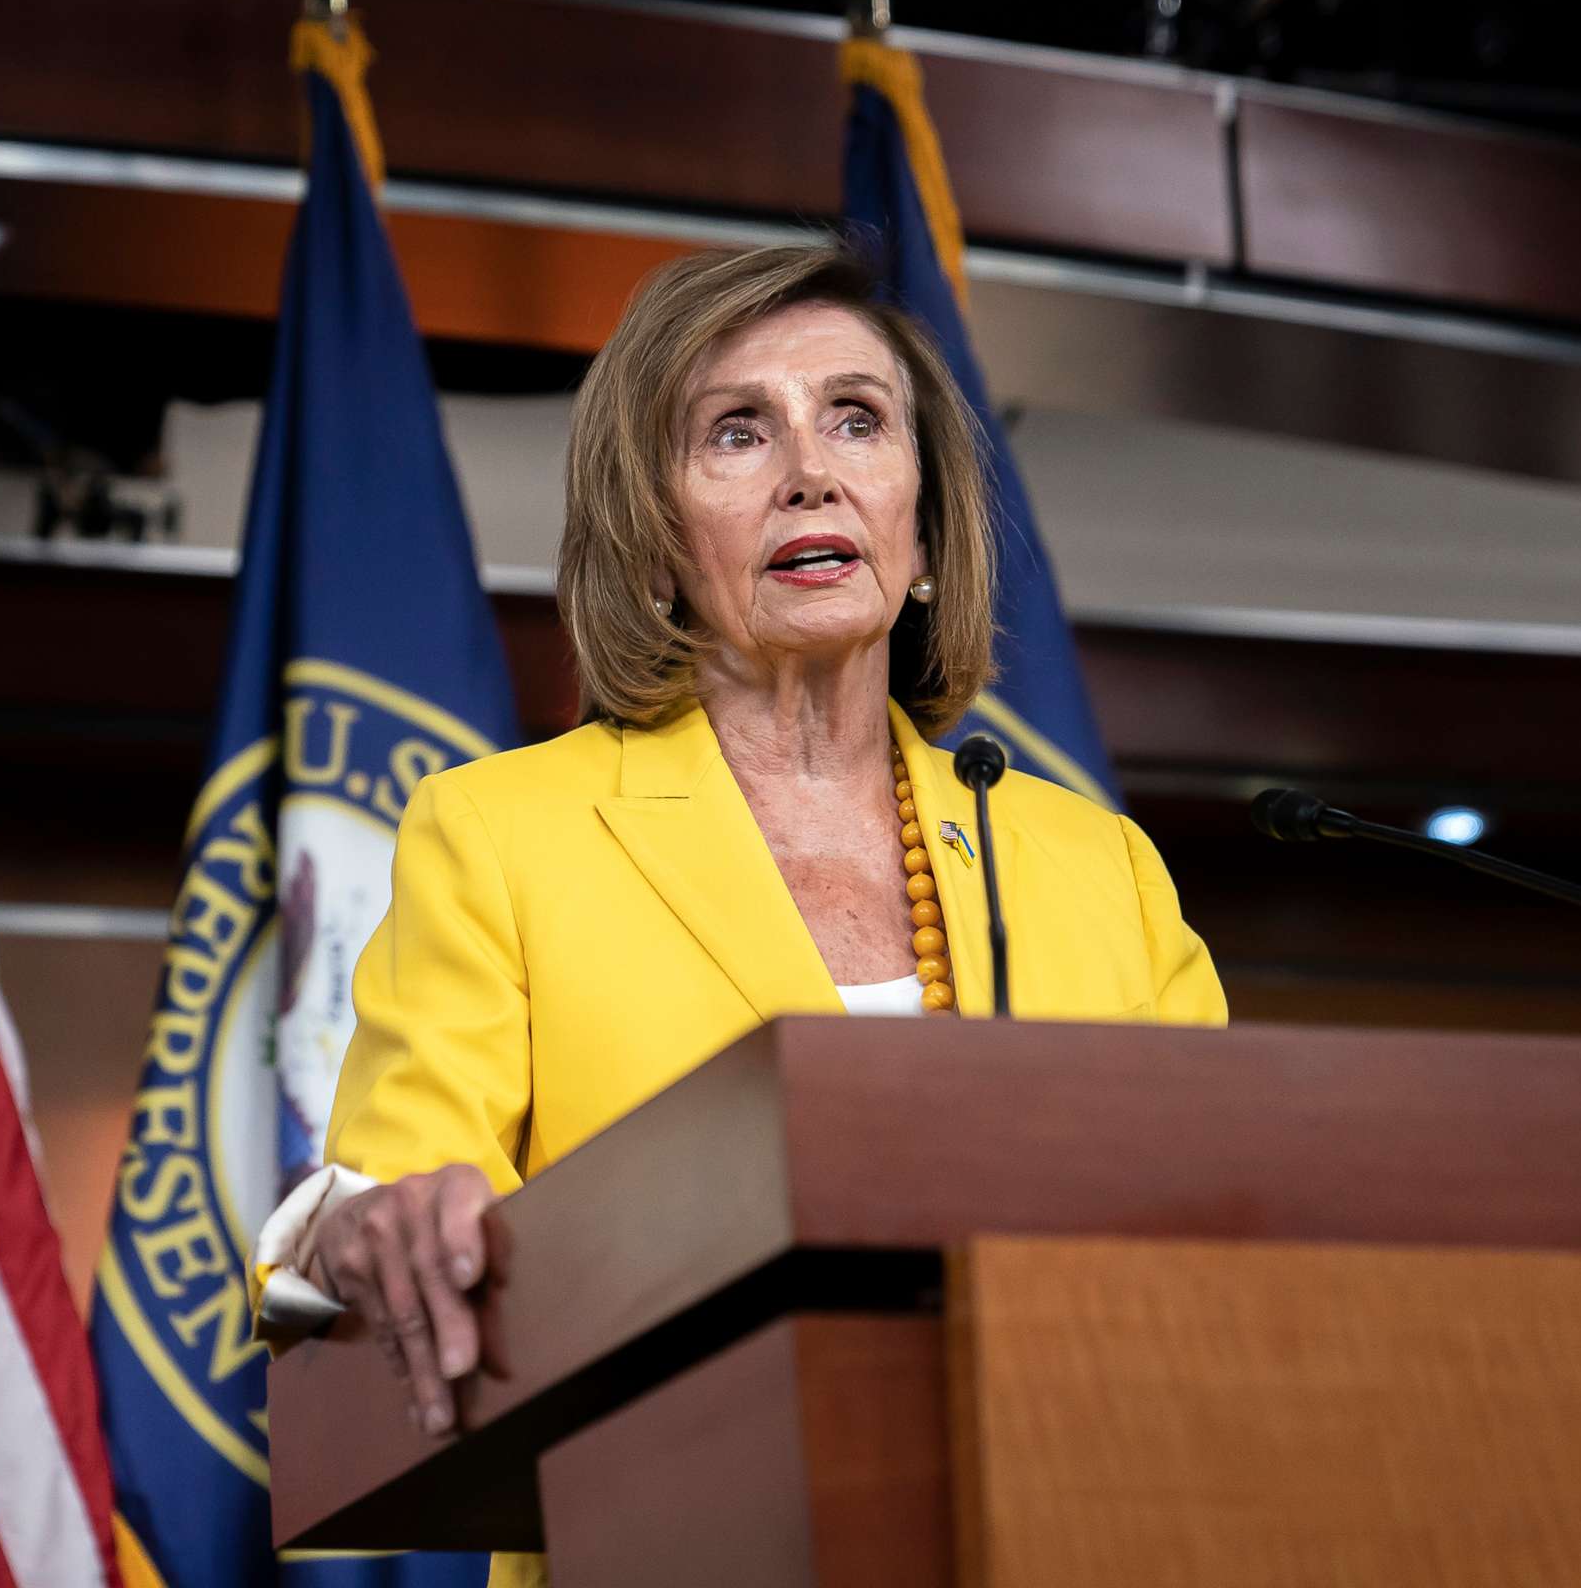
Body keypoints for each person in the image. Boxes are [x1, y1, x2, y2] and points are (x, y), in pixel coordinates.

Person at [254, 243, 1226, 1585]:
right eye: (736, 432)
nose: (810, 472)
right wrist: (354, 1235)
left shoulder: (1094, 868)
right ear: (654, 539)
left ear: (927, 530)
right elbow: (384, 1210)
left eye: (856, 419)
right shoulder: (504, 838)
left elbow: (1235, 1248)